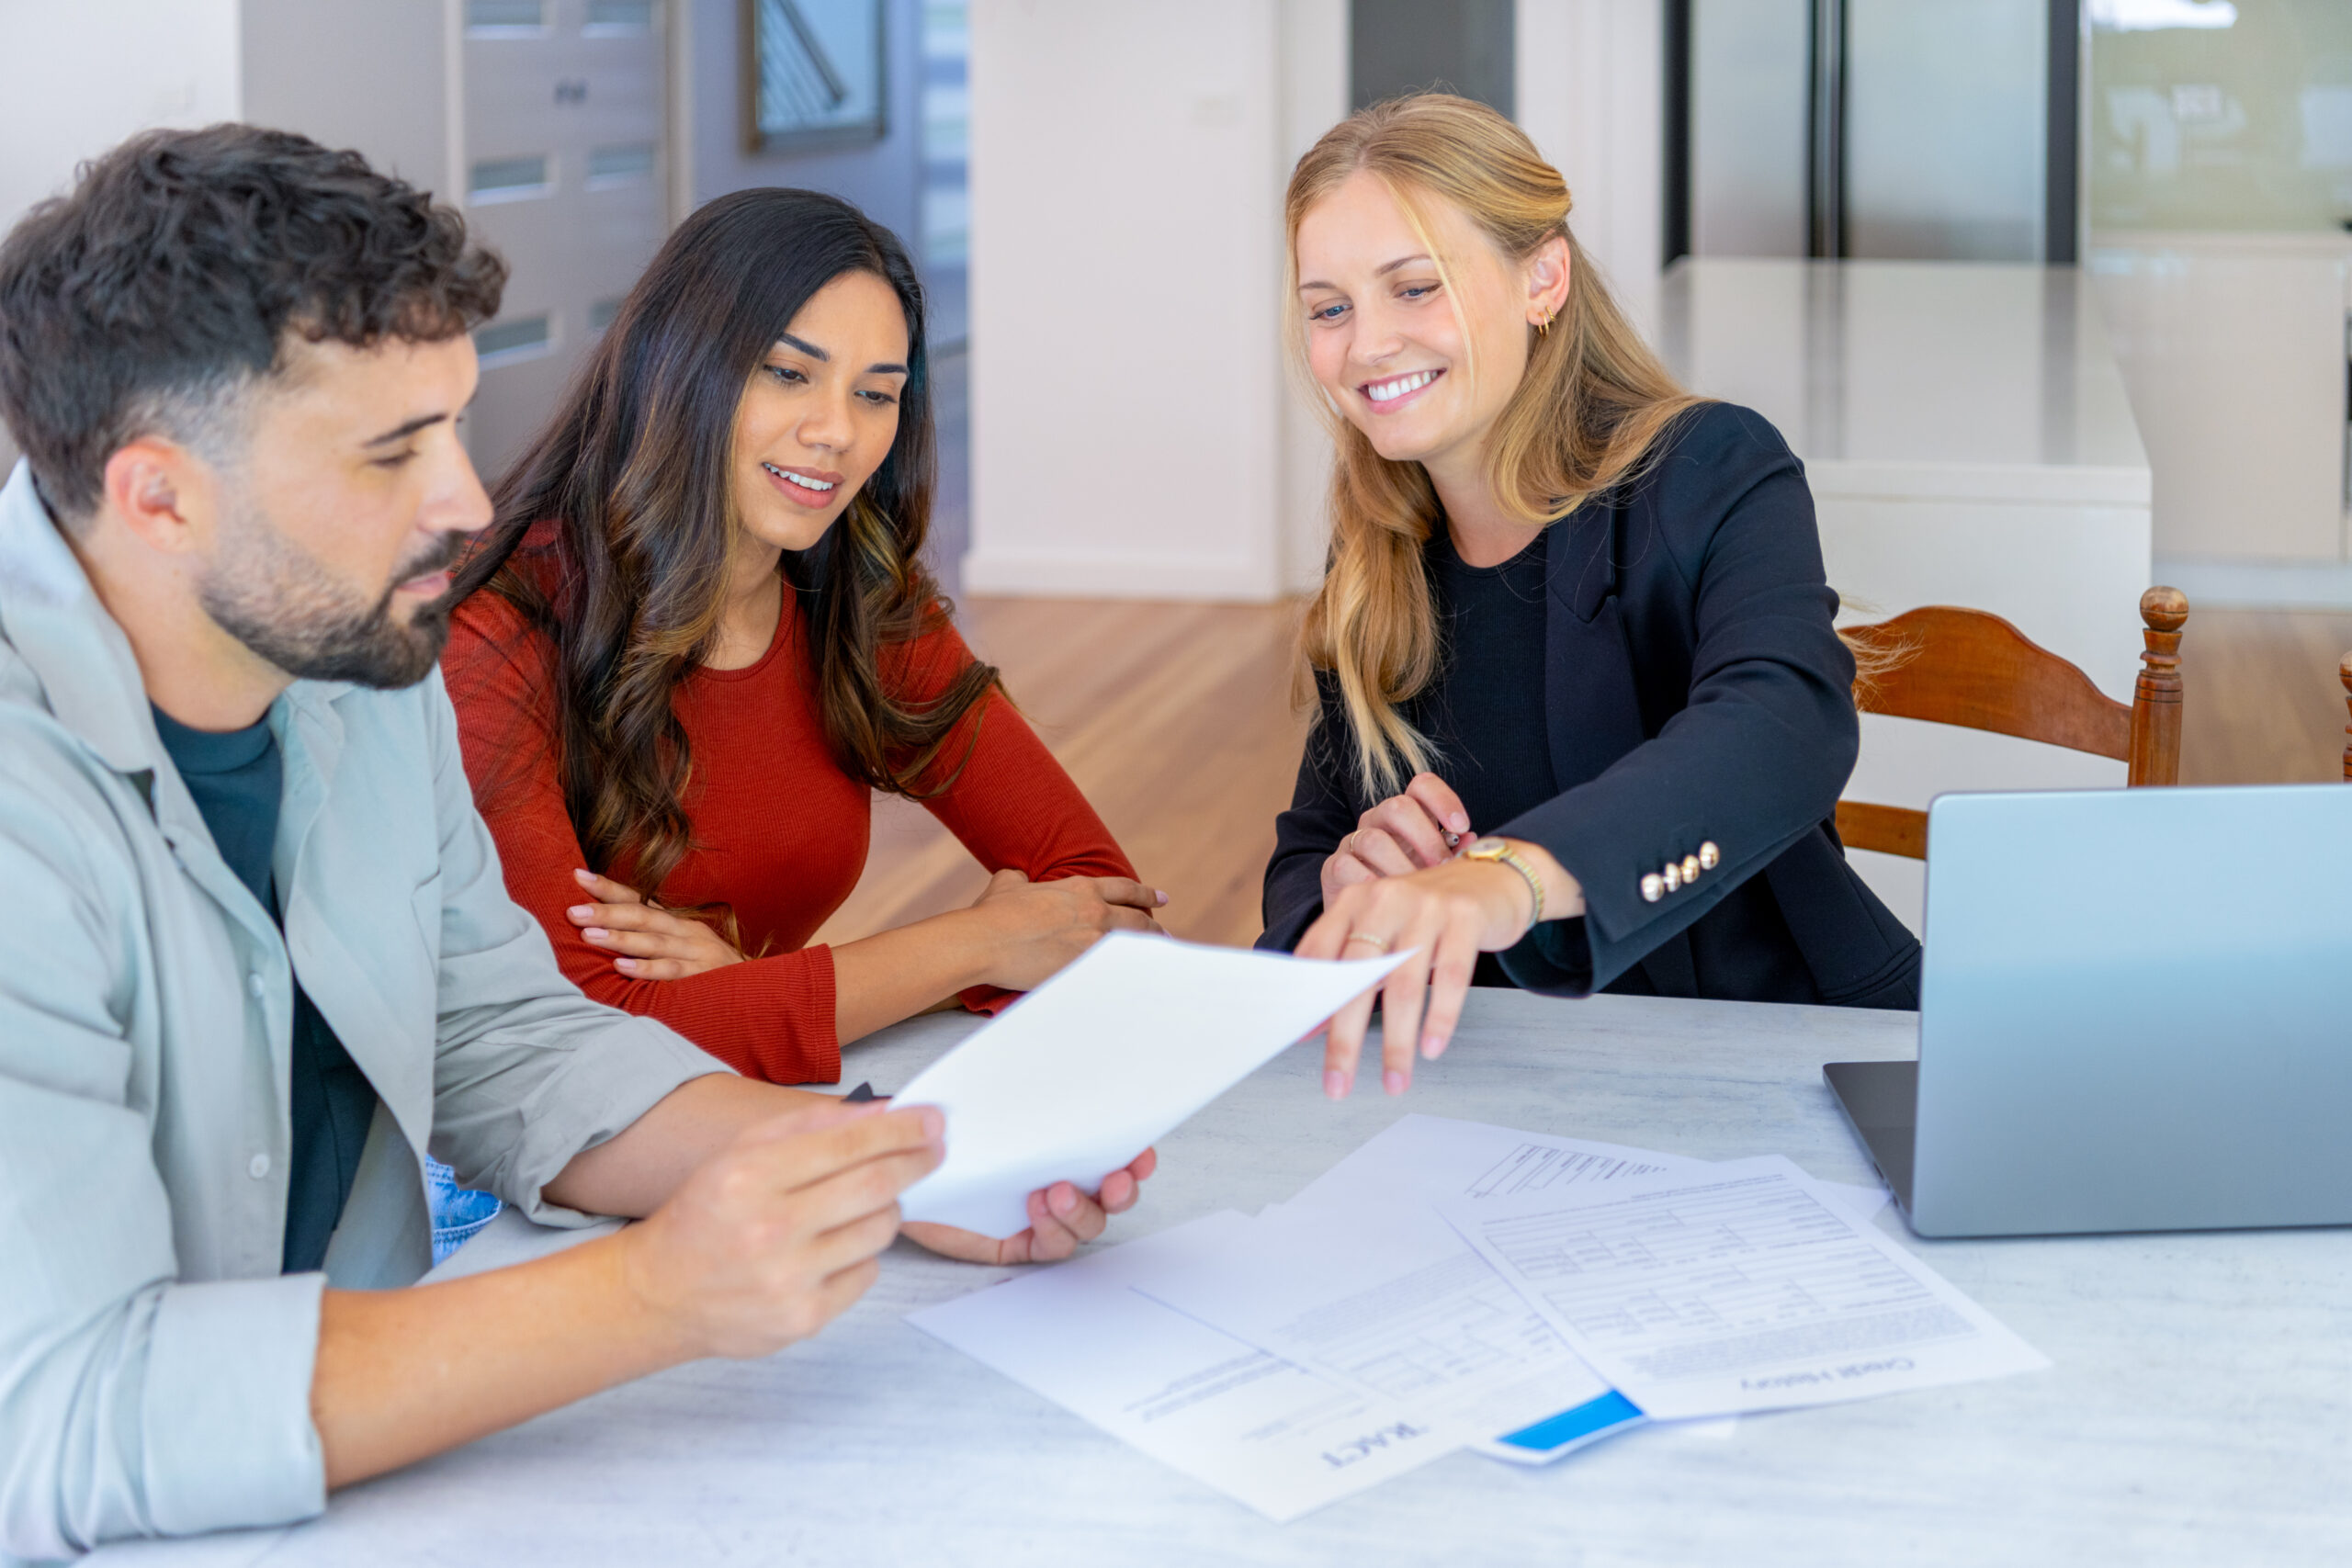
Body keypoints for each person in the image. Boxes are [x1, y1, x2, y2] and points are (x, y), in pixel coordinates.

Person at [0, 126, 1150, 1561]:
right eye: (391, 452)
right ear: (158, 493)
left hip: (374, 1459)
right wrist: (659, 1293)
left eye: (456, 428)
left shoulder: (365, 668)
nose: (468, 504)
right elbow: (63, 1411)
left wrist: (892, 1161)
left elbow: (511, 1040)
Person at [1258, 96, 1921, 1100]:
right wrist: (1344, 894)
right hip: (1507, 1084)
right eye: (1329, 307)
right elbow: (1309, 850)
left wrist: (1506, 882)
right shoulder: (1379, 552)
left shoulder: (1709, 466)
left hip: (1784, 1059)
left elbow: (1783, 725)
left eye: (1414, 287)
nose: (1366, 346)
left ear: (1542, 278)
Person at [443, 187, 1164, 1087]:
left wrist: (752, 991)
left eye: (876, 394)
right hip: (505, 1177)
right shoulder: (496, 631)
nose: (836, 433)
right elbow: (582, 1040)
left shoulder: (855, 596)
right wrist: (977, 942)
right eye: (788, 373)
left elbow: (1106, 914)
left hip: (746, 1111)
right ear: (678, 366)